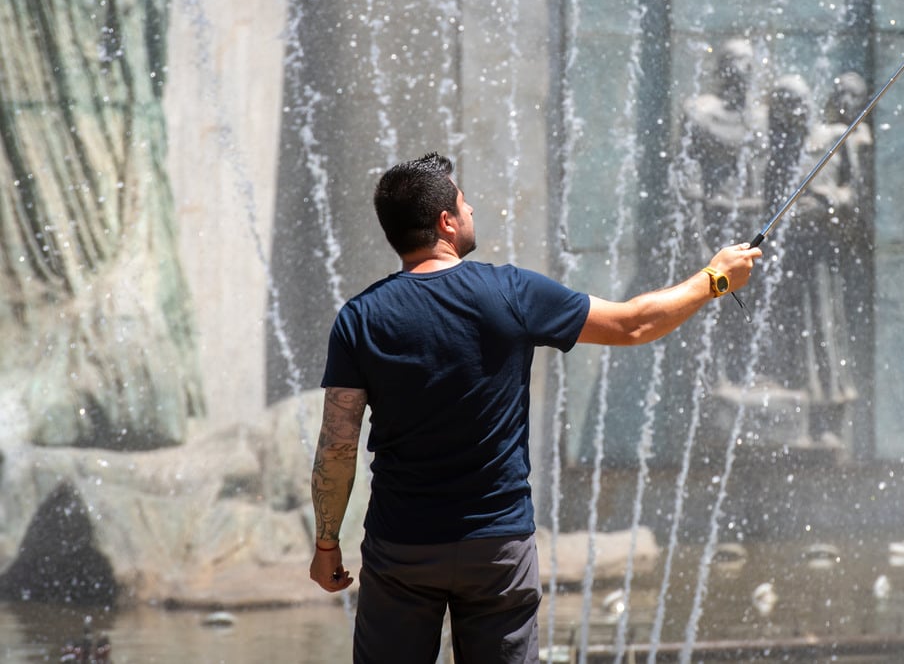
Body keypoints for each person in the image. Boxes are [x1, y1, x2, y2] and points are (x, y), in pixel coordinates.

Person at [307, 152, 760, 663]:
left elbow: (337, 447)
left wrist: (326, 545)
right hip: (498, 548)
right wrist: (715, 278)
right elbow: (633, 324)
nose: (471, 207)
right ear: (446, 222)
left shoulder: (359, 318)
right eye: (463, 202)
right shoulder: (510, 292)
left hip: (403, 547)